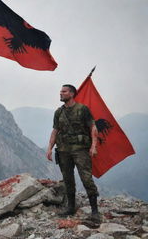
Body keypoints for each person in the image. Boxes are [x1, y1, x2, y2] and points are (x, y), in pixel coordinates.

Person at [46, 84, 100, 222]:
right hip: (64, 150)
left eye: (64, 91)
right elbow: (55, 131)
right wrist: (49, 148)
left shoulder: (82, 109)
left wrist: (94, 146)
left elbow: (93, 127)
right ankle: (70, 207)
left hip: (81, 150)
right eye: (60, 91)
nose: (61, 93)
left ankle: (95, 211)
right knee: (68, 180)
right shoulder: (58, 112)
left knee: (86, 179)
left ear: (71, 93)